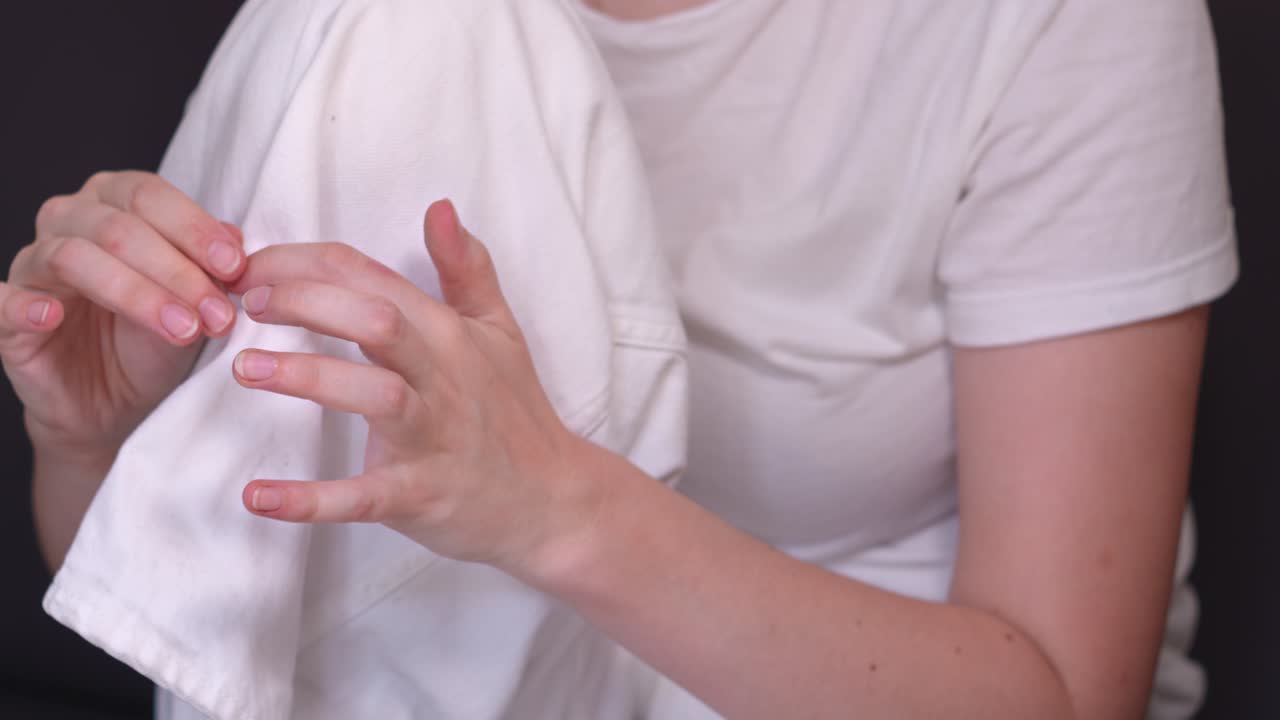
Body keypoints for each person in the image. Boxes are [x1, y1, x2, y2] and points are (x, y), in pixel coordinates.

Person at [3, 0, 1234, 718]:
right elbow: (197, 594)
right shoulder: (366, 31)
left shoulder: (1057, 28)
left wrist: (558, 506)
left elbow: (1067, 693)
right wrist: (94, 439)